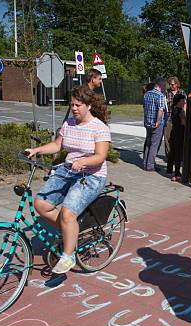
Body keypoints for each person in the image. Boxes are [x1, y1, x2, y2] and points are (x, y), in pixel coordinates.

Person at [25, 86, 111, 274]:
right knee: (41, 204)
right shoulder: (69, 124)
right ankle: (70, 230)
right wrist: (36, 150)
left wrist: (83, 162)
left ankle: (68, 255)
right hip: (68, 170)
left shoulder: (99, 128)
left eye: (78, 105)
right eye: (72, 104)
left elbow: (100, 156)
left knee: (67, 213)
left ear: (88, 105)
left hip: (91, 175)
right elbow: (57, 145)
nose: (73, 108)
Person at [142, 78, 167, 171]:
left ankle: (145, 162)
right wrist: (158, 121)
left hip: (147, 122)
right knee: (155, 144)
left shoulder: (146, 94)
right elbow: (160, 109)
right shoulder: (160, 95)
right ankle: (150, 165)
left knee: (148, 142)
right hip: (156, 123)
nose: (165, 88)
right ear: (161, 85)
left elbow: (144, 107)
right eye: (165, 86)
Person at [164, 77, 186, 174]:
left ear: (177, 84)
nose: (171, 86)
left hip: (176, 120)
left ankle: (171, 165)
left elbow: (185, 104)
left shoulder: (181, 93)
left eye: (173, 84)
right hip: (169, 119)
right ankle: (172, 166)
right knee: (170, 143)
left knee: (175, 147)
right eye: (170, 84)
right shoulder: (166, 93)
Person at [168, 93, 186, 181]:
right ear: (179, 102)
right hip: (179, 133)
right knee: (178, 154)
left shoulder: (174, 108)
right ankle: (177, 172)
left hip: (174, 132)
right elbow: (184, 122)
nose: (184, 102)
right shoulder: (180, 111)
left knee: (173, 151)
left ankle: (169, 168)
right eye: (183, 101)